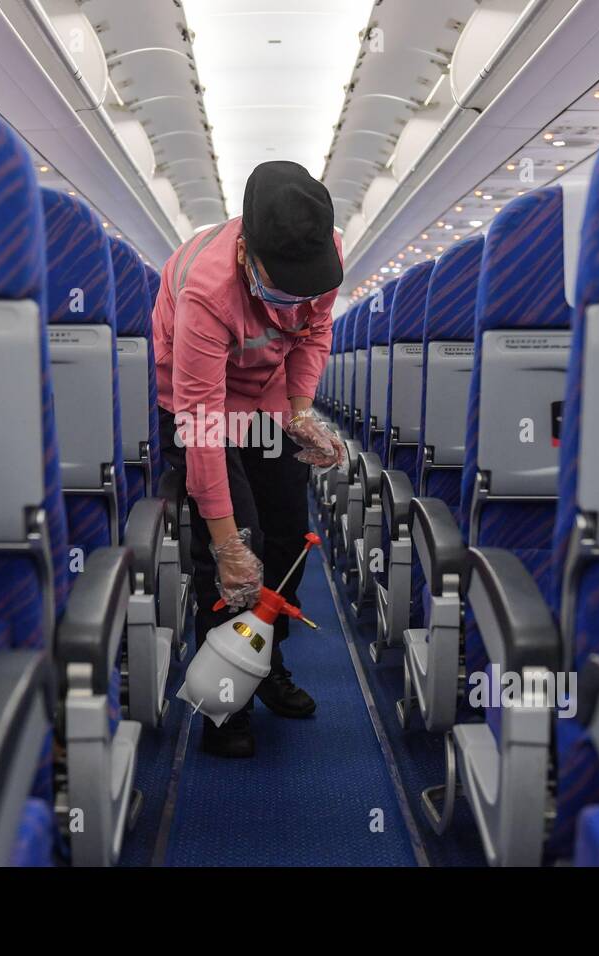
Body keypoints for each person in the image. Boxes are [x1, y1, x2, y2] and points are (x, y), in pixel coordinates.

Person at [152, 160, 345, 757]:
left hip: (263, 400)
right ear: (246, 256)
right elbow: (203, 425)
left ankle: (267, 659)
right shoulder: (206, 289)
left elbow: (312, 333)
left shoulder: (322, 253)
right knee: (237, 540)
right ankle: (225, 695)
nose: (294, 300)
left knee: (287, 533)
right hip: (198, 402)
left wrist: (299, 411)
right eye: (281, 285)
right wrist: (228, 544)